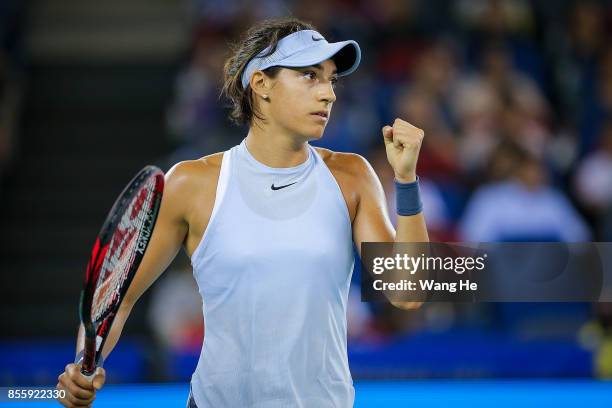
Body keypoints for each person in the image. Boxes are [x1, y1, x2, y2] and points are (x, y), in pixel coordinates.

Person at [56, 17, 428, 408]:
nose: (329, 94)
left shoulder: (353, 176)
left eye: (331, 80)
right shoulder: (191, 184)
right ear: (261, 83)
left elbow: (408, 293)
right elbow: (117, 297)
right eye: (309, 76)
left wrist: (406, 181)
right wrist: (84, 363)